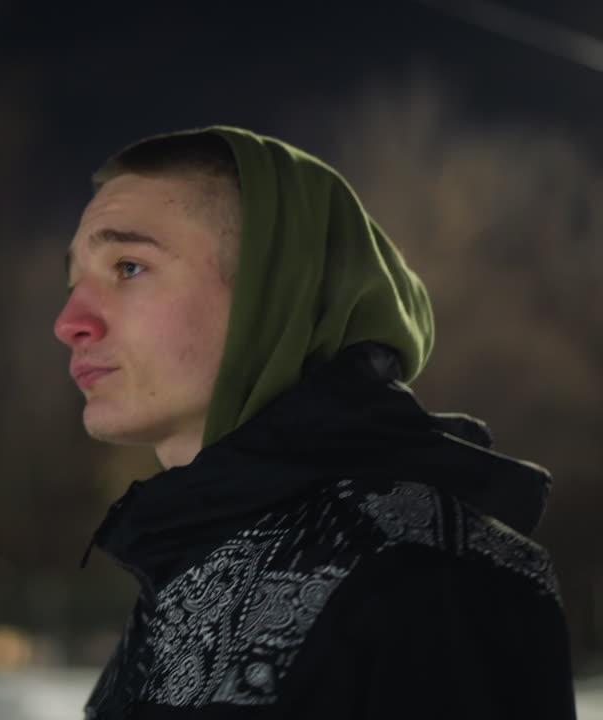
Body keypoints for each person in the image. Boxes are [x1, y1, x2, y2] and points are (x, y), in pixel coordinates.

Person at [55, 126, 577, 719]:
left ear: (276, 290)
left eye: (128, 267)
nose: (70, 321)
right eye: (75, 281)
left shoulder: (428, 579)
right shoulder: (186, 561)